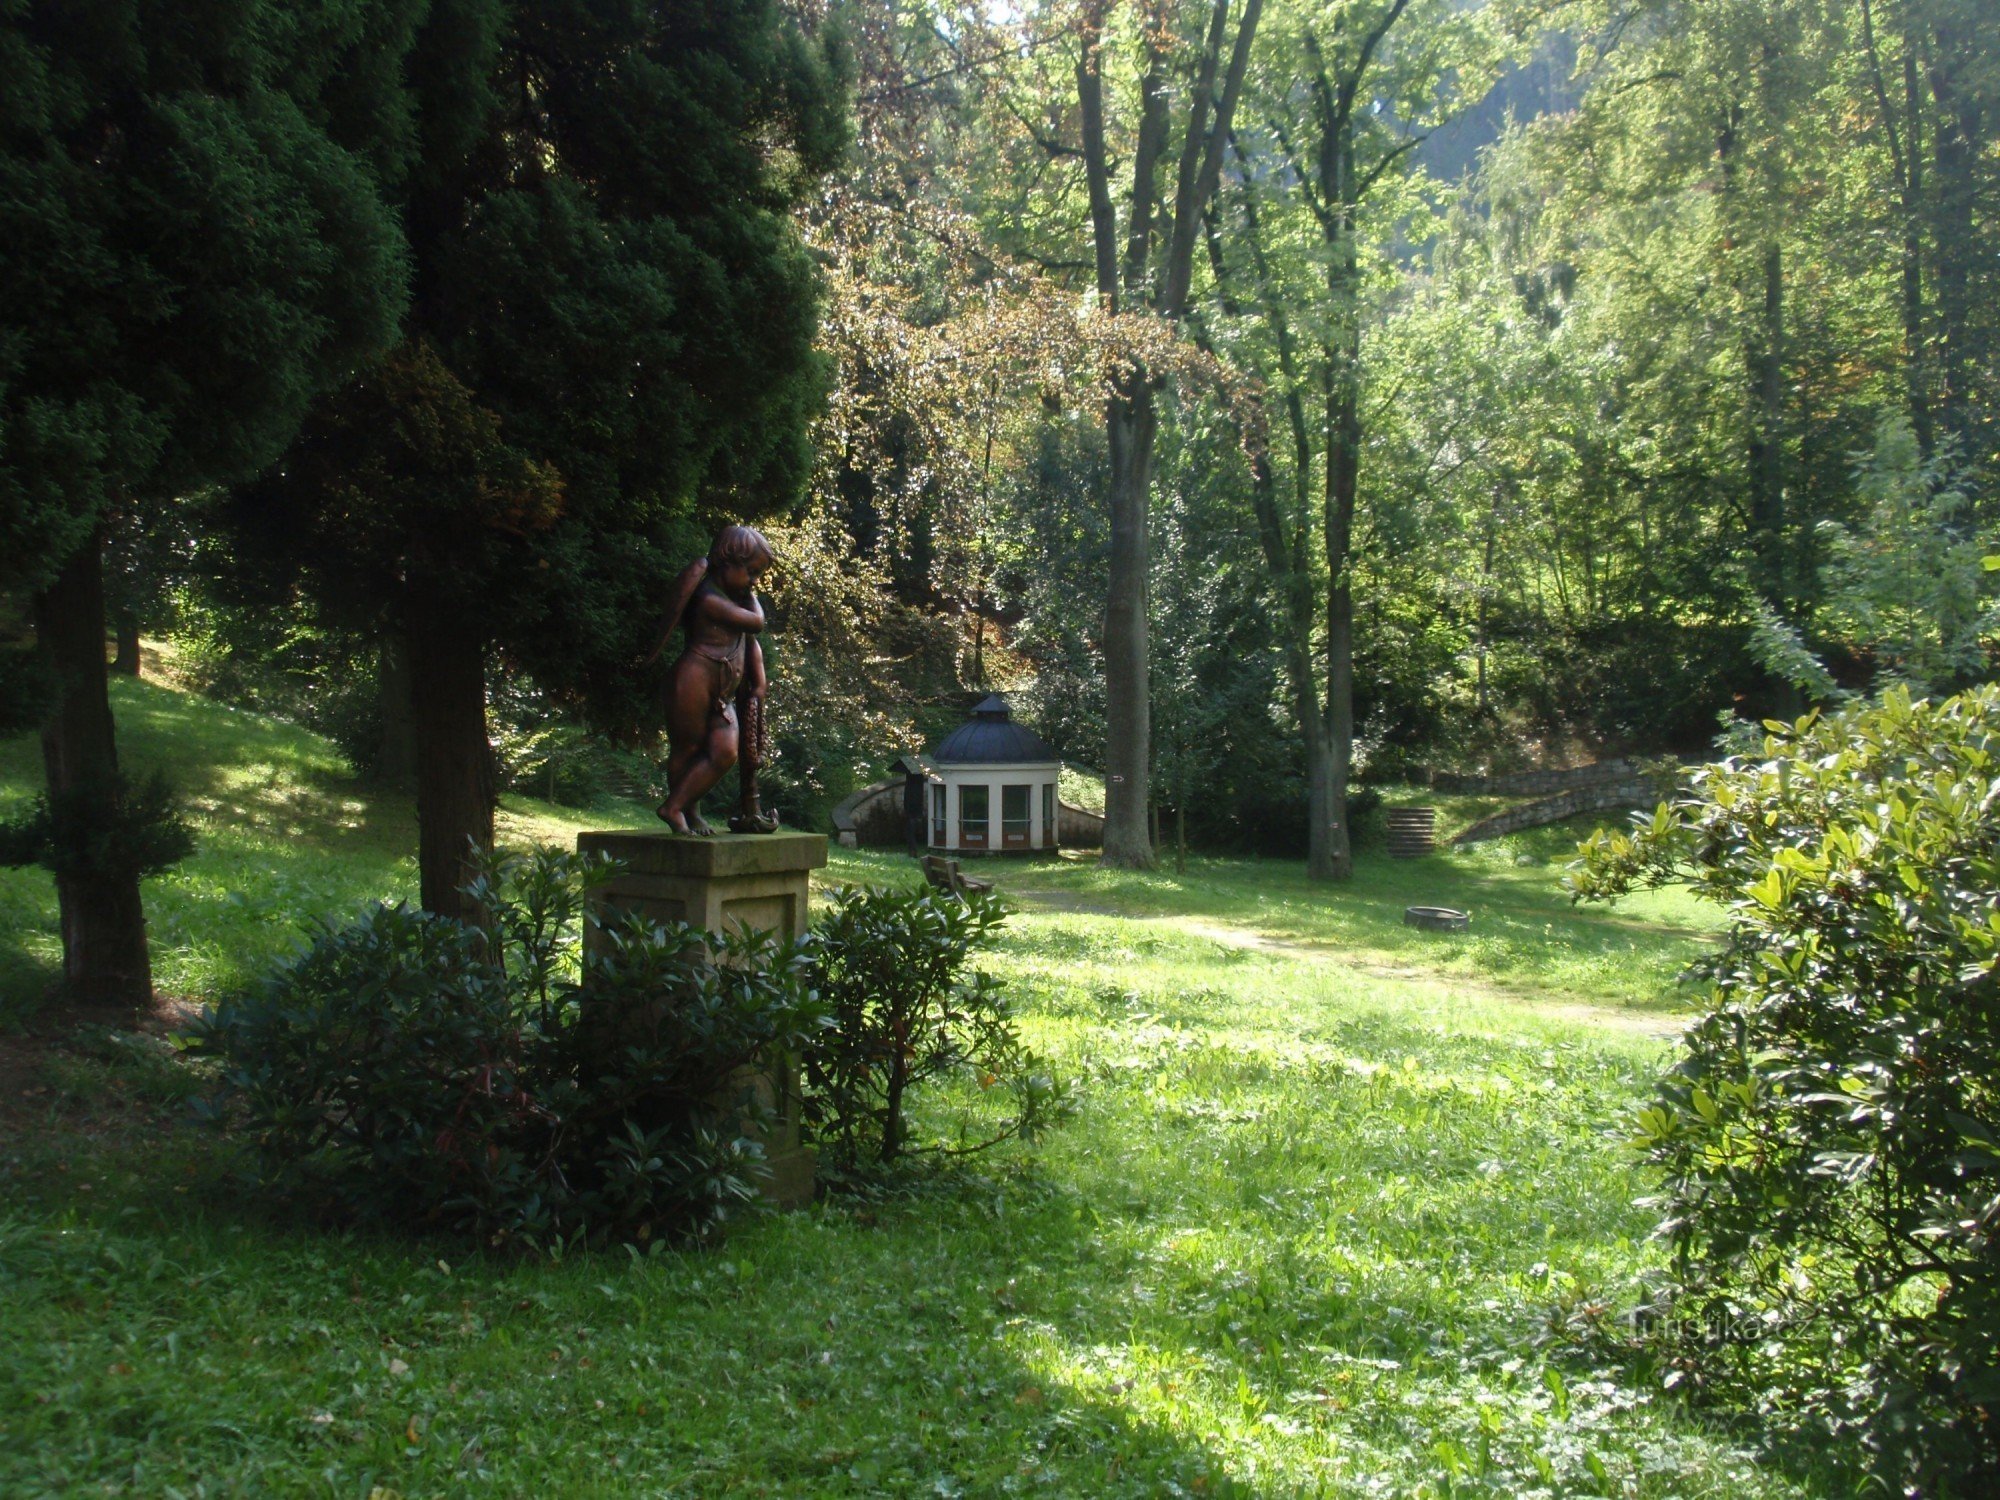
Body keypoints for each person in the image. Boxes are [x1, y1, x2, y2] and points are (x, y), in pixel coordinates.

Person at [647, 525, 781, 835]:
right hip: (693, 679)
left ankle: (678, 805)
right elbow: (756, 622)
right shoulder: (707, 598)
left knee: (725, 751)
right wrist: (752, 596)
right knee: (688, 748)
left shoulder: (731, 596)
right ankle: (682, 810)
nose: (754, 581)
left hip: (723, 693)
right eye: (751, 572)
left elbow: (749, 639)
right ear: (728, 562)